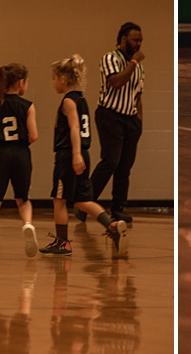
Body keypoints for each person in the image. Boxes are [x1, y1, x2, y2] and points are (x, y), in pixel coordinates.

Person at [40, 54, 127, 257]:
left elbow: (75, 127)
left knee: (59, 199)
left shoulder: (69, 101)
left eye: (53, 78)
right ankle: (112, 226)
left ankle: (63, 242)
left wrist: (76, 154)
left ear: (63, 79)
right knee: (82, 201)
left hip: (69, 154)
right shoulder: (82, 99)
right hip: (82, 153)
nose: (52, 82)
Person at [0, 63, 39, 259]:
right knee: (23, 198)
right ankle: (27, 224)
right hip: (21, 153)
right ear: (21, 83)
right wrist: (21, 141)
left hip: (0, 154)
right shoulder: (27, 105)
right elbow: (34, 135)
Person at [87, 22, 145, 224]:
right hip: (110, 115)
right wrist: (134, 63)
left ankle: (118, 208)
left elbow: (138, 95)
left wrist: (139, 122)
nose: (138, 43)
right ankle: (85, 202)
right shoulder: (110, 58)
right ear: (123, 40)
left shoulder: (139, 67)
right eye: (135, 39)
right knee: (110, 161)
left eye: (140, 40)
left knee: (125, 165)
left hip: (130, 119)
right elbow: (116, 82)